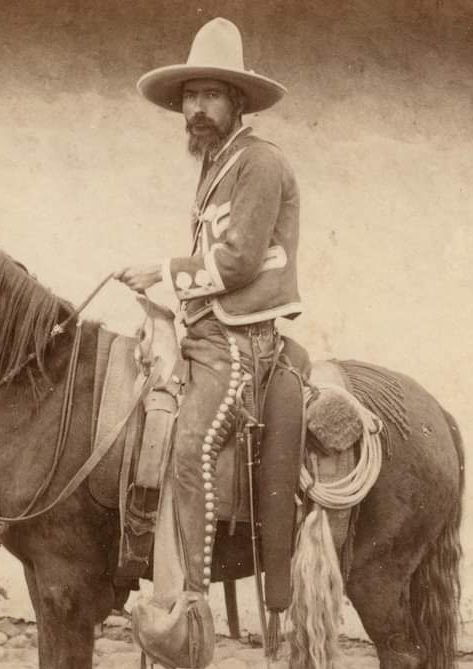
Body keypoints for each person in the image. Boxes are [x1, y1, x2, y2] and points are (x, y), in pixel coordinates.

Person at [115, 17, 301, 600]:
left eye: (211, 95)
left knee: (191, 447)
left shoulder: (259, 162)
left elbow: (240, 261)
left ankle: (188, 604)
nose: (197, 107)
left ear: (237, 101)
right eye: (191, 96)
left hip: (238, 343)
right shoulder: (215, 164)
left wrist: (163, 271)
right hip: (206, 331)